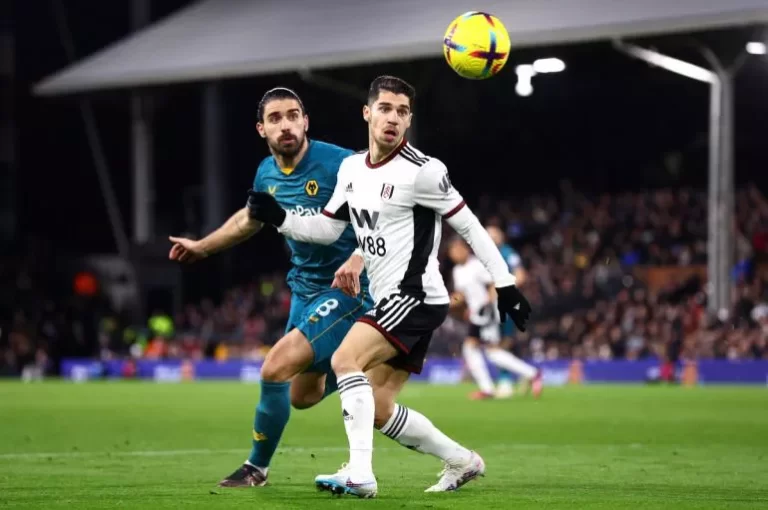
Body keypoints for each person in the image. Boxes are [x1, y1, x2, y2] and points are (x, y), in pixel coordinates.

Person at [245, 76, 532, 498]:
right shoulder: (351, 169)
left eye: (402, 111)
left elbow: (469, 226)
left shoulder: (424, 172)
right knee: (378, 408)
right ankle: (462, 460)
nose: (393, 118)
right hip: (391, 299)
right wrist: (282, 218)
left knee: (346, 359)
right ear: (367, 113)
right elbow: (328, 228)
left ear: (409, 119)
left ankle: (360, 474)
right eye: (385, 108)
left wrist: (505, 284)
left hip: (414, 297)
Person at [168, 87, 372, 487]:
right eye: (275, 119)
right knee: (301, 395)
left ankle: (255, 468)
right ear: (261, 128)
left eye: (293, 115)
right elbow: (250, 219)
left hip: (348, 287)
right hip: (304, 288)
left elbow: (384, 212)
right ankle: (360, 359)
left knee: (274, 367)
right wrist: (203, 247)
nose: (286, 125)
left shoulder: (342, 164)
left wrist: (361, 258)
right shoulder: (266, 172)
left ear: (306, 121)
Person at [448, 237, 541, 400]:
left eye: (457, 249)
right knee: (491, 352)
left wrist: (489, 305)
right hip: (477, 314)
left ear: (465, 249)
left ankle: (488, 388)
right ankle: (531, 374)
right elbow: (461, 296)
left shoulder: (476, 265)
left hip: (487, 312)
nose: (454, 254)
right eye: (452, 252)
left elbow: (493, 283)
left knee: (473, 348)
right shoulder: (457, 271)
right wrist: (448, 302)